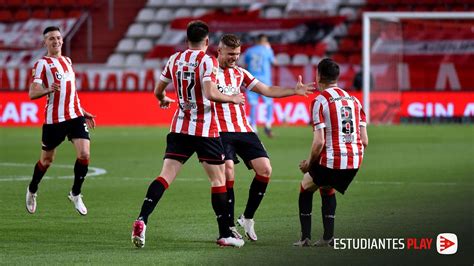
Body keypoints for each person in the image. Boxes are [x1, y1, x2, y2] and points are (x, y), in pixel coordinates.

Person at [130, 21, 246, 249]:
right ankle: (225, 234)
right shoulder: (208, 61)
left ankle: (142, 218)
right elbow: (210, 93)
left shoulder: (174, 59)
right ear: (207, 41)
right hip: (205, 129)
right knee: (218, 180)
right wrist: (232, 98)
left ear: (186, 40)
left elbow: (158, 91)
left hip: (179, 127)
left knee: (164, 177)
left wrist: (163, 99)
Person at [215, 34, 314, 241]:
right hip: (220, 130)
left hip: (243, 128)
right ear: (219, 51)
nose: (234, 58)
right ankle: (229, 225)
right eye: (230, 54)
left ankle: (248, 217)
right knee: (228, 170)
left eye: (237, 54)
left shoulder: (240, 73)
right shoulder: (209, 73)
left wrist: (293, 91)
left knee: (265, 169)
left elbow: (267, 89)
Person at [293, 58, 368, 247]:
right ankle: (328, 237)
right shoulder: (355, 100)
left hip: (333, 159)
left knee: (306, 186)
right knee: (326, 186)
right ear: (337, 77)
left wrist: (309, 164)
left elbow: (319, 141)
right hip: (355, 161)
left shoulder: (320, 101)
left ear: (318, 76)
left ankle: (305, 238)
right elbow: (365, 140)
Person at [25, 26, 96, 216]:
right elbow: (32, 92)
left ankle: (75, 193)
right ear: (45, 42)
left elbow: (71, 91)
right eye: (51, 39)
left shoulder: (67, 61)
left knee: (84, 154)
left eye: (58, 38)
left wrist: (82, 110)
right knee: (47, 160)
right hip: (54, 120)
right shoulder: (42, 64)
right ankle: (32, 189)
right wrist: (48, 89)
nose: (55, 41)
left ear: (62, 40)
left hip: (75, 116)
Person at [243, 34, 276, 137]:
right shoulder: (267, 50)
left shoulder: (249, 51)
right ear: (264, 41)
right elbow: (275, 62)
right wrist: (269, 48)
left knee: (253, 104)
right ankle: (267, 125)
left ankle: (253, 127)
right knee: (269, 102)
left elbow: (245, 65)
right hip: (265, 80)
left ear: (256, 41)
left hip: (252, 80)